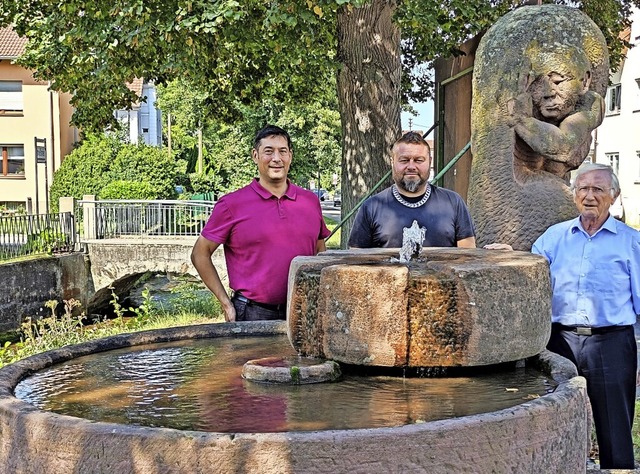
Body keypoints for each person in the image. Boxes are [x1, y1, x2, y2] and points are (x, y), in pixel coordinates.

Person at [531, 162, 640, 470]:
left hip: (611, 343)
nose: (589, 196)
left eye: (598, 189)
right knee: (551, 420)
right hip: (559, 340)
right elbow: (533, 277)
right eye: (583, 189)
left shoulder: (631, 243)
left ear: (614, 195)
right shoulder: (553, 237)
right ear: (574, 194)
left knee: (615, 425)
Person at [191, 125, 330, 322]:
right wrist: (225, 303)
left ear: (290, 156)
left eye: (282, 151)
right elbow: (199, 254)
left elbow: (319, 253)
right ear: (255, 155)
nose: (276, 158)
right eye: (268, 151)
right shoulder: (232, 204)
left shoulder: (310, 202)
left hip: (304, 309)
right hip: (252, 313)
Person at [348, 131, 476, 249]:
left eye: (418, 160)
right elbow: (356, 260)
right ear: (393, 162)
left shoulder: (453, 202)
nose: (411, 166)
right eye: (404, 160)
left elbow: (467, 257)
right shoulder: (371, 207)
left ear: (430, 162)